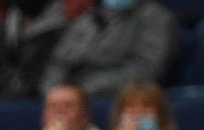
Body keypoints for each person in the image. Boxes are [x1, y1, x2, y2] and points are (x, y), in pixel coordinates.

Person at [39, 0, 179, 102]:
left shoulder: (157, 18)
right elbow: (58, 62)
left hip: (116, 96)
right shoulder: (87, 18)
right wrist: (53, 90)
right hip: (72, 94)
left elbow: (147, 69)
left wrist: (85, 89)